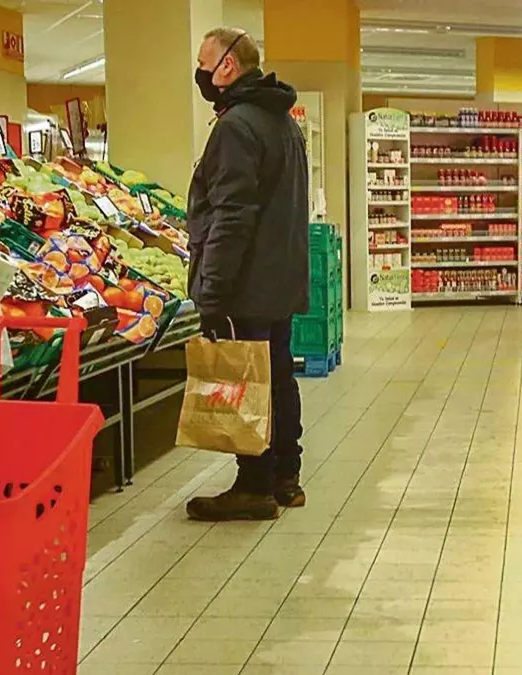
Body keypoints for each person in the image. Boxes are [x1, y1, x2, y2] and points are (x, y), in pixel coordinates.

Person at [184, 27, 310, 521]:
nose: (199, 73)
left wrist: (213, 291)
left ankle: (254, 484)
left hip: (247, 283)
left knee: (247, 381)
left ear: (228, 67)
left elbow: (231, 216)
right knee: (277, 376)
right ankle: (285, 478)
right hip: (280, 279)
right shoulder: (284, 123)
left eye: (204, 63)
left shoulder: (237, 127)